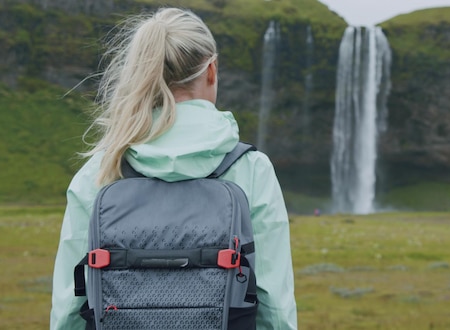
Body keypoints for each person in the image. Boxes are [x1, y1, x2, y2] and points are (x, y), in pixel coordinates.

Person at [50, 7, 297, 330]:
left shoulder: (100, 171)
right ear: (211, 70)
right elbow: (273, 304)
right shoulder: (251, 169)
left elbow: (71, 305)